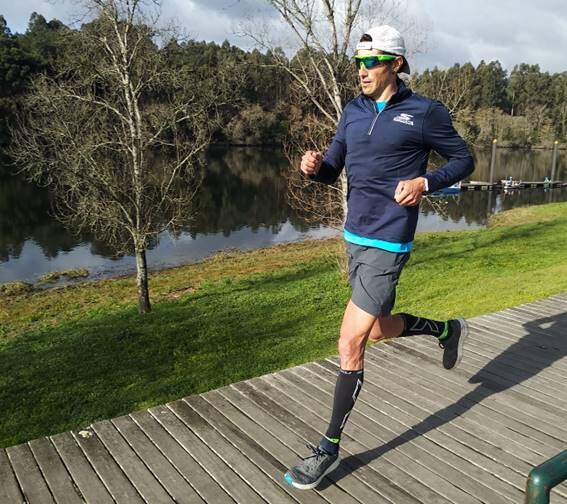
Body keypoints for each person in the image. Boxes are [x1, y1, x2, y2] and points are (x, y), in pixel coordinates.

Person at [283, 25, 475, 491]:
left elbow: (464, 160)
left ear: (396, 64)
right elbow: (333, 169)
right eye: (359, 61)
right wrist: (313, 168)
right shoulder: (352, 111)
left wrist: (426, 182)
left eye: (372, 61)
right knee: (378, 328)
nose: (362, 70)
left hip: (390, 241)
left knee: (350, 342)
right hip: (355, 236)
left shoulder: (425, 113)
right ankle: (446, 329)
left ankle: (327, 449)